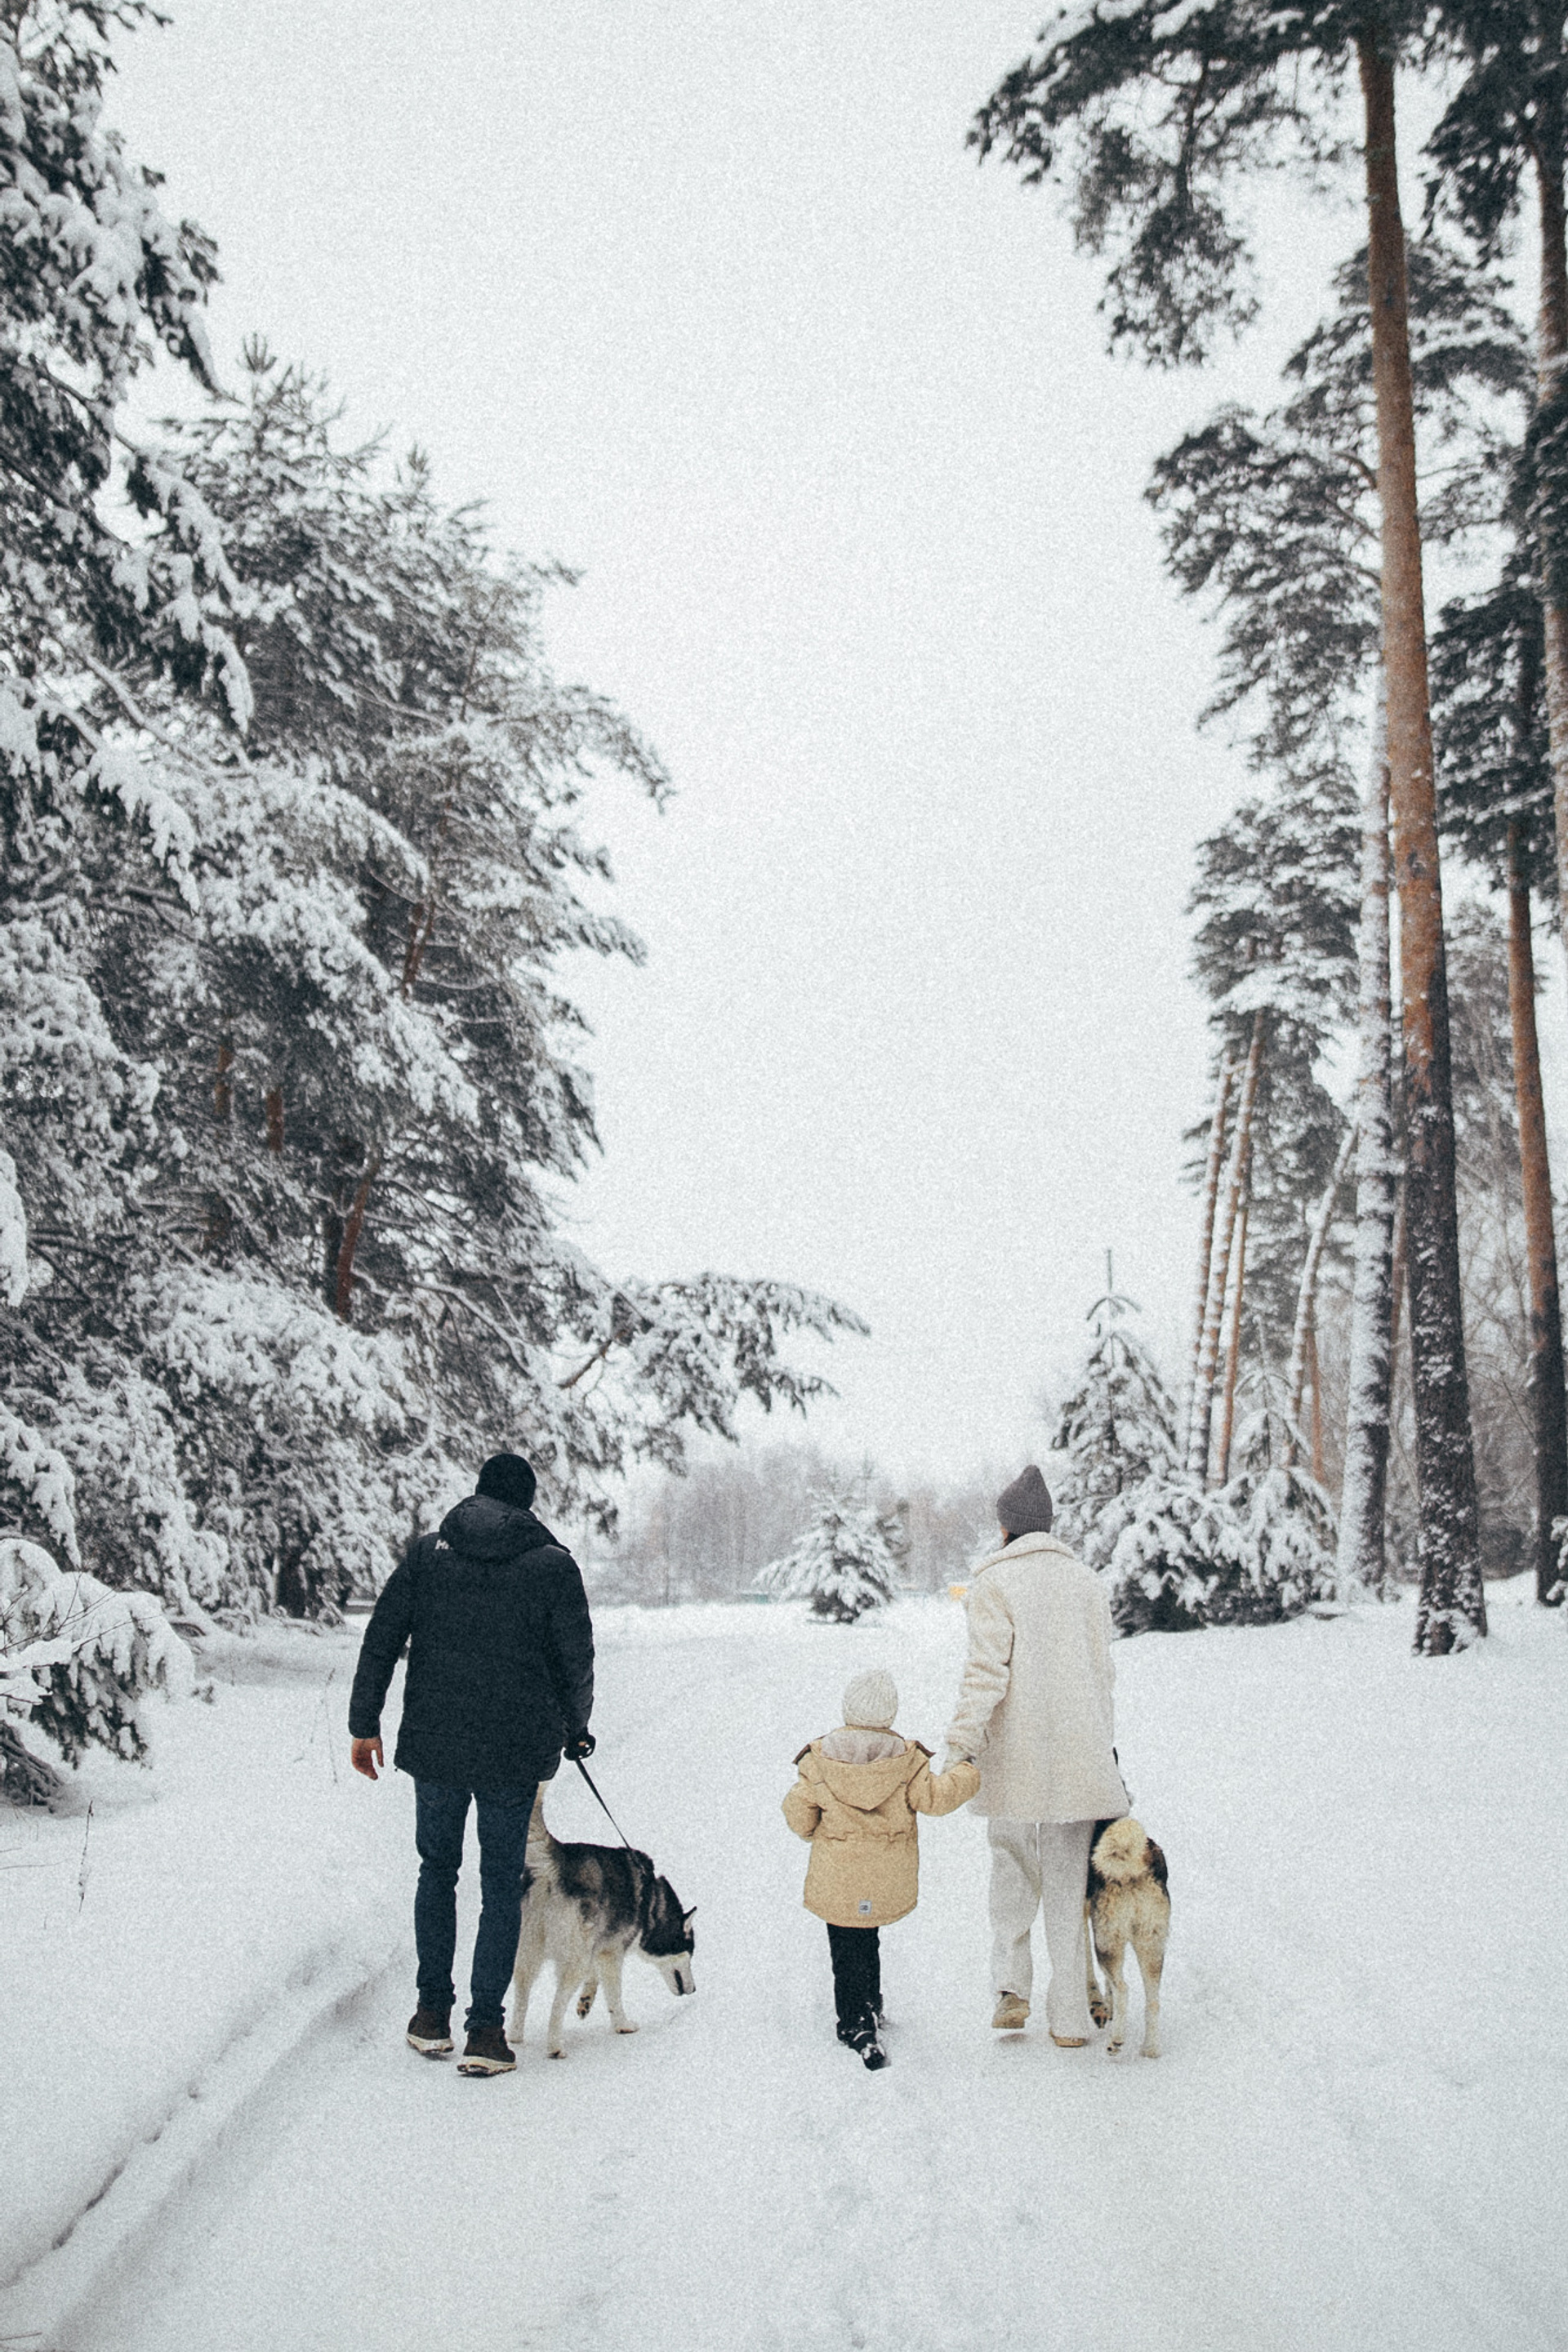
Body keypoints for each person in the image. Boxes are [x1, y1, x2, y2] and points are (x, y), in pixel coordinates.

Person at [347, 1450, 595, 2078]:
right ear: (527, 1503)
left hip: (436, 1744)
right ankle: (486, 2030)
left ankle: (431, 2014)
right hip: (514, 1752)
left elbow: (382, 1637)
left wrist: (364, 1724)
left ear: (479, 1494)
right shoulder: (552, 1566)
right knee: (500, 1884)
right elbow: (576, 1661)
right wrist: (577, 1730)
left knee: (437, 1870)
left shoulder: (429, 1556)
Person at [945, 1465, 1128, 2047]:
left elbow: (985, 1674)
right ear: (1047, 1526)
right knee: (1070, 1890)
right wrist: (1103, 1747)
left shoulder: (994, 1583)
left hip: (1014, 1762)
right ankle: (1070, 2020)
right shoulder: (1086, 1583)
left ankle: (1011, 1988)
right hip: (1080, 1759)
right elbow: (1102, 1676)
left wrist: (959, 1746)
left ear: (1006, 1528)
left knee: (1011, 1867)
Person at [783, 1667, 978, 2069]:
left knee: (845, 1948)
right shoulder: (906, 1762)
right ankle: (872, 2004)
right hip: (884, 1877)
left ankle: (855, 2023)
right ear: (890, 1713)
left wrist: (813, 1831)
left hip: (838, 1877)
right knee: (868, 1937)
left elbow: (799, 1815)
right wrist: (967, 1773)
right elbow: (937, 1798)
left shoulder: (820, 1760)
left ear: (847, 1709)